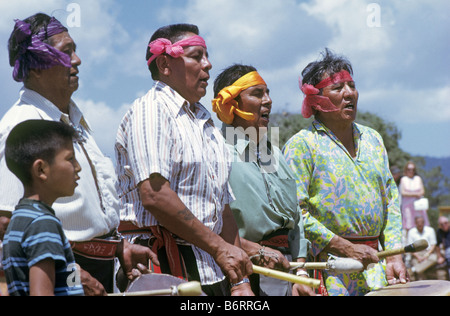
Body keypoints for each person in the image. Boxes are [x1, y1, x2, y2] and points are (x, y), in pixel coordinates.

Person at [0, 13, 157, 295]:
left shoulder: (75, 124)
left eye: (75, 50)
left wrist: (119, 247)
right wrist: (73, 275)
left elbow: (85, 216)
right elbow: (5, 225)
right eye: (66, 52)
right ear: (36, 66)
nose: (77, 60)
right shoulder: (21, 128)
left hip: (97, 274)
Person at [115, 24, 253, 296]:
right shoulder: (151, 110)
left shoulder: (205, 121)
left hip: (212, 268)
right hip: (162, 266)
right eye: (197, 56)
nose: (208, 64)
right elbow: (155, 196)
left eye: (207, 55)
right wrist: (219, 248)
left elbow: (222, 208)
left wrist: (240, 282)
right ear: (165, 64)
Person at [282, 48, 408, 296]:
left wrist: (394, 255)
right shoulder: (302, 145)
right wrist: (345, 247)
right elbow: (296, 213)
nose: (350, 93)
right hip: (331, 269)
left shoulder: (373, 139)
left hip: (377, 267)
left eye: (352, 85)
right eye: (338, 88)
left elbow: (391, 201)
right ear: (316, 100)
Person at [212, 64, 313, 296]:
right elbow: (207, 221)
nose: (268, 100)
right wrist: (254, 251)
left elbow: (295, 218)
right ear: (232, 104)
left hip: (286, 271)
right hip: (242, 274)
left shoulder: (272, 151)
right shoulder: (216, 150)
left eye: (267, 93)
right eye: (257, 94)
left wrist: (301, 272)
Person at [2, 120, 84, 296]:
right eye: (70, 159)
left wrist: (73, 271)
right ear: (41, 169)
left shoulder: (20, 219)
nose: (78, 167)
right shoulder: (43, 223)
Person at [400, 161, 429, 231]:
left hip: (418, 205)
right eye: (409, 169)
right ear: (406, 170)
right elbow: (403, 192)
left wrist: (418, 194)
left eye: (413, 169)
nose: (411, 171)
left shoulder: (418, 178)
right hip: (407, 206)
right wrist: (415, 194)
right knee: (408, 224)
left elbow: (422, 191)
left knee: (420, 222)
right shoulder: (403, 179)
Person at [407, 216, 438, 280]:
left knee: (434, 258)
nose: (420, 224)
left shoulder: (430, 230)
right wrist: (418, 257)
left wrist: (426, 256)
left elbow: (433, 245)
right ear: (415, 223)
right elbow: (410, 248)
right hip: (416, 254)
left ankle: (413, 269)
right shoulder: (411, 232)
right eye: (418, 222)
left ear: (424, 222)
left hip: (428, 253)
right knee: (420, 273)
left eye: (421, 222)